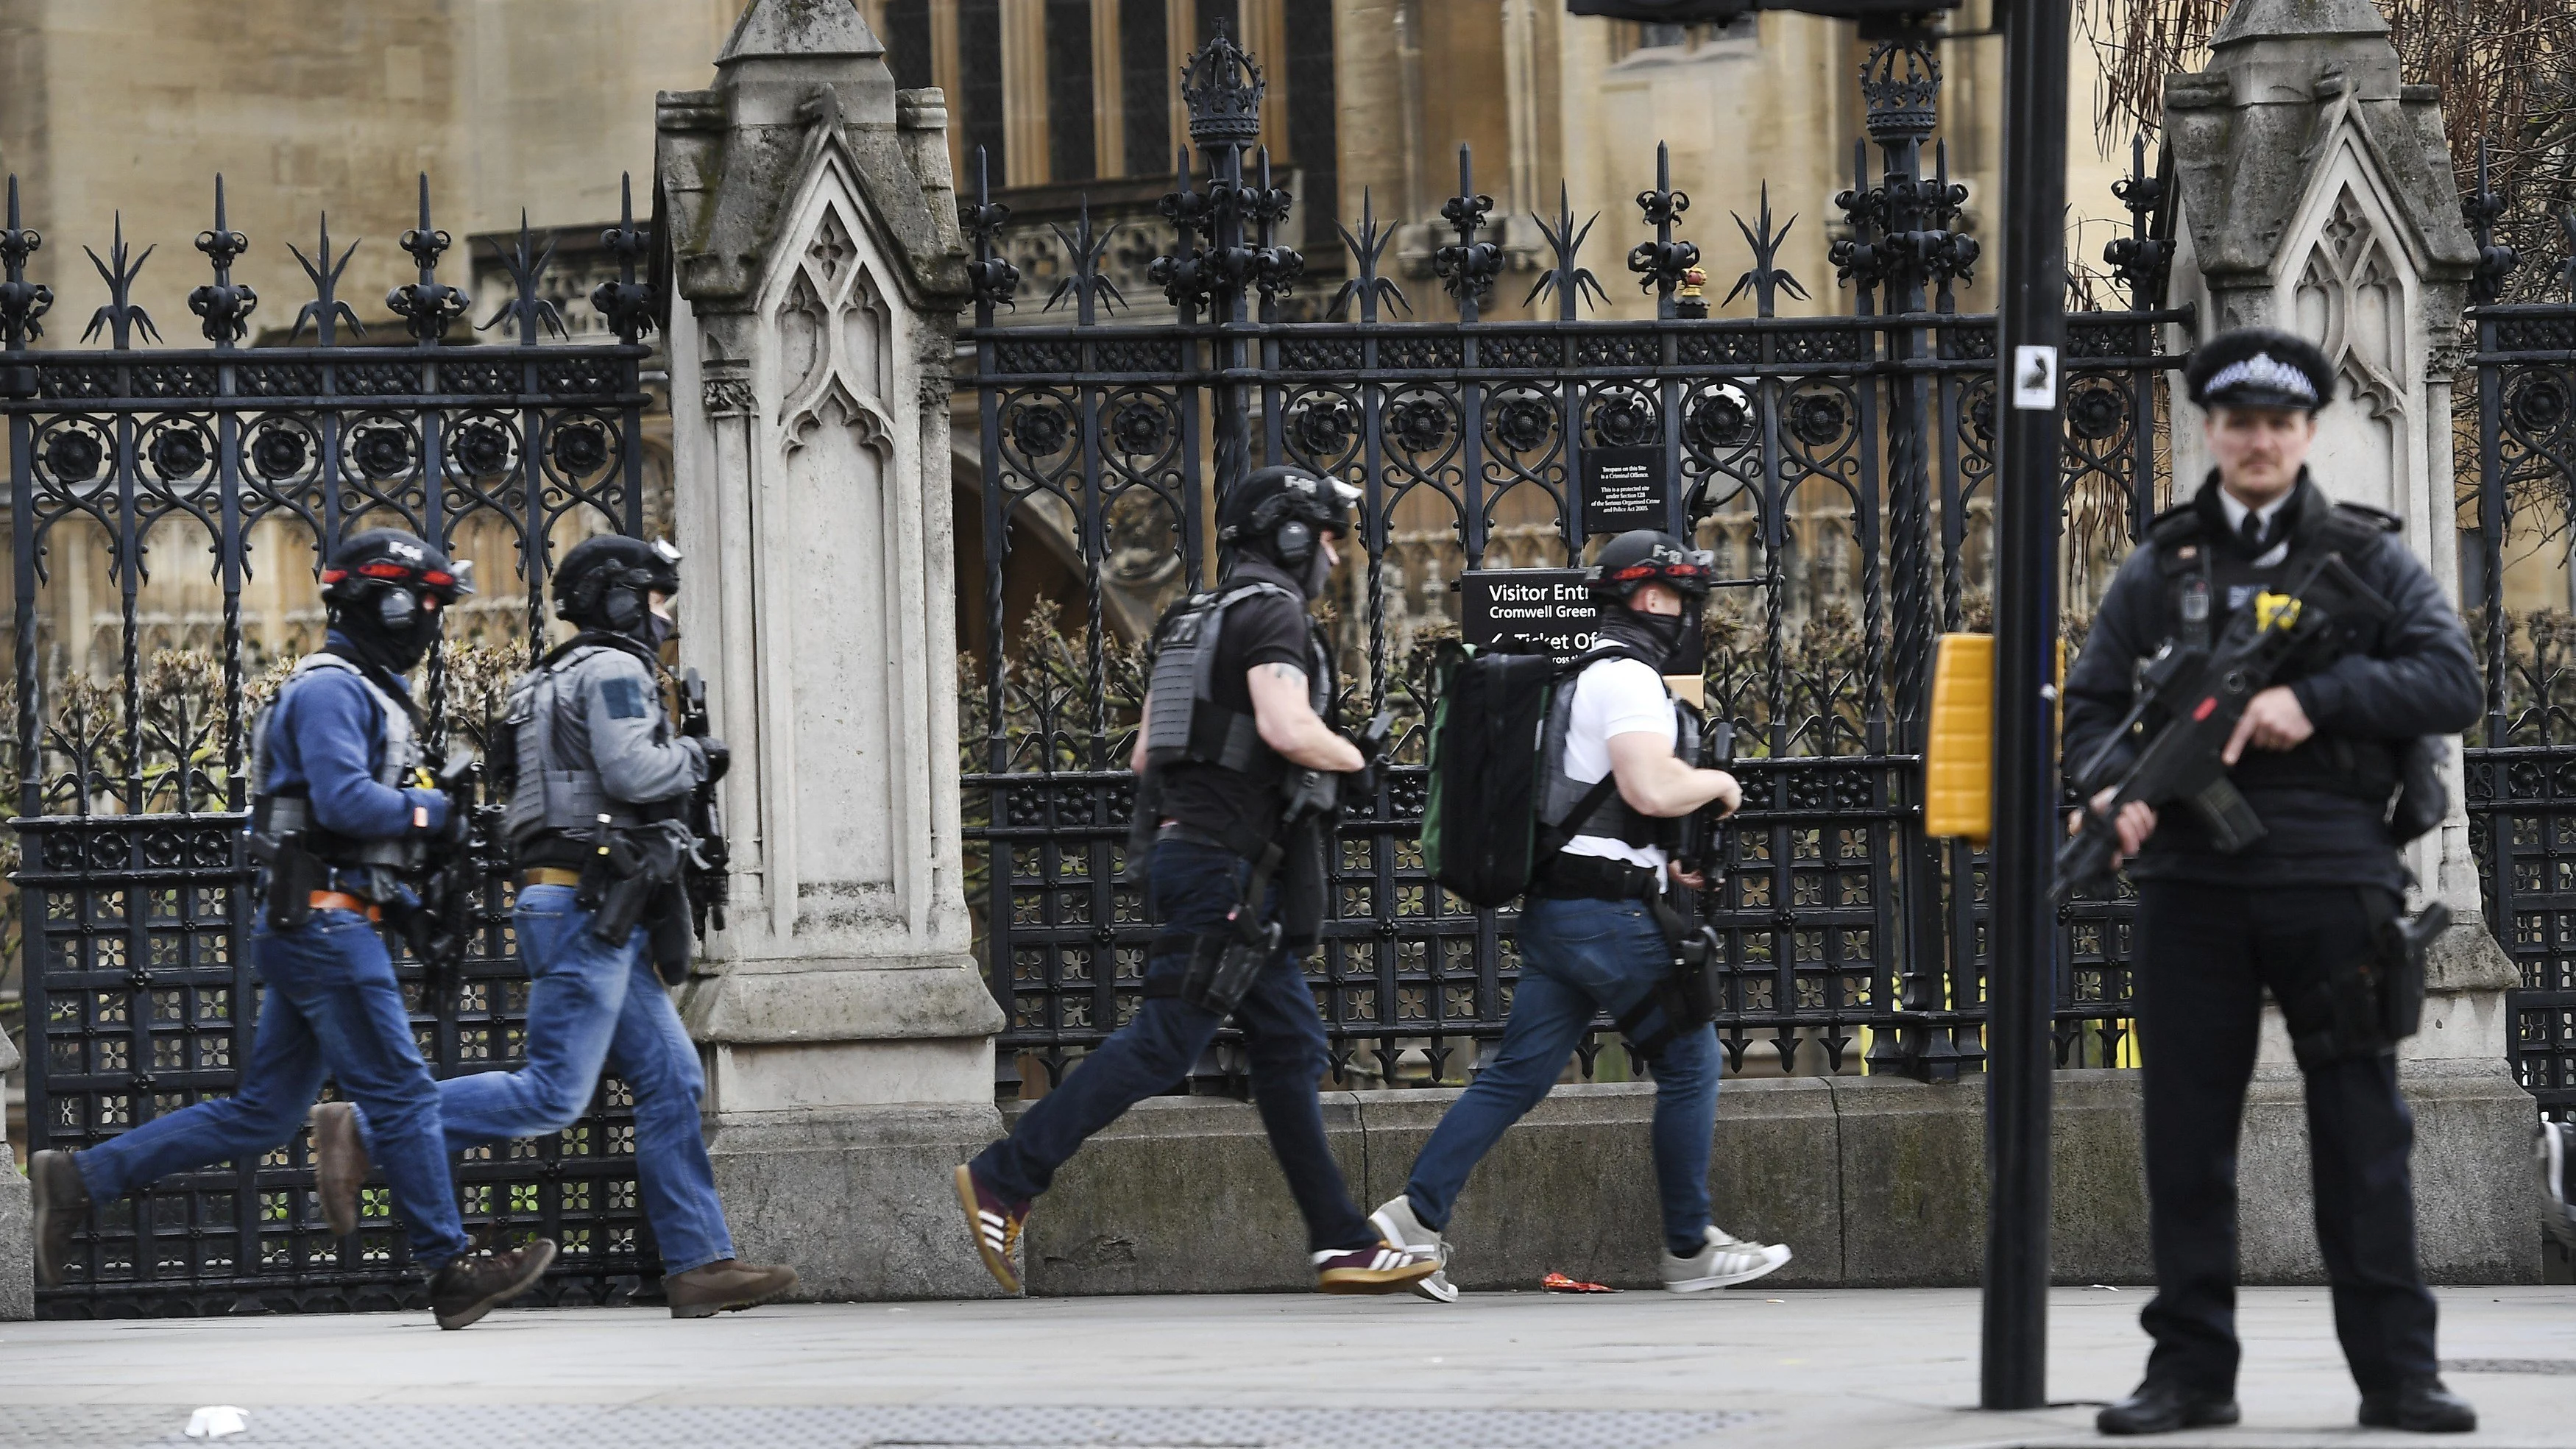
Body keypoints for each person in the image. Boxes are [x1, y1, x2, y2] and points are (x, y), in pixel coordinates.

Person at [2062, 328, 2483, 1435]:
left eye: (2278, 423)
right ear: (2210, 429)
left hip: (2336, 878)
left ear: (2306, 433)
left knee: (2363, 1136)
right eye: (2238, 422)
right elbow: (2094, 711)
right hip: (2190, 885)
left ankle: (2399, 1375)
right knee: (2187, 1139)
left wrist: (2319, 700)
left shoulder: (2372, 558)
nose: (2257, 440)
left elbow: (2452, 680)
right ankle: (2191, 1374)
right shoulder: (2162, 568)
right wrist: (2114, 791)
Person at [27, 528, 556, 1330]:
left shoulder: (359, 688)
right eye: (425, 605)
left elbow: (340, 819)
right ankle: (449, 1265)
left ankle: (78, 1178)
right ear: (387, 603)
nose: (431, 624)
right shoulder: (331, 690)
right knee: (406, 1095)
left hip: (325, 921)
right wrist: (433, 810)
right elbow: (344, 802)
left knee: (264, 1113)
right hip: (324, 925)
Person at [954, 466, 1440, 1297]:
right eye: (1324, 534)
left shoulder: (1195, 618)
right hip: (1226, 863)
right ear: (1289, 536)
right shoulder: (1274, 615)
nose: (1331, 552)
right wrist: (1353, 758)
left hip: (1203, 855)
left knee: (1289, 1046)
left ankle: (1340, 1242)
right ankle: (1005, 1174)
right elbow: (1287, 725)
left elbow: (1148, 752)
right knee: (1166, 1038)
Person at [310, 534, 796, 1319]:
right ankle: (368, 1130)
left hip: (587, 901)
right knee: (551, 1094)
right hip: (585, 904)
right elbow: (634, 770)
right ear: (617, 597)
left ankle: (699, 1263)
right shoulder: (611, 670)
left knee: (671, 1080)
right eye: (654, 596)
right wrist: (699, 758)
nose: (662, 614)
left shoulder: (549, 676)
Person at [1366, 529, 1790, 1302]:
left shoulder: (1580, 674)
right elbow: (1649, 789)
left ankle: (1410, 1217)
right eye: (1683, 597)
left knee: (1515, 1078)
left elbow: (1602, 803)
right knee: (1691, 1060)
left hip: (1561, 911)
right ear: (1651, 596)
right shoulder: (1626, 678)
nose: (1686, 611)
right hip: (1608, 916)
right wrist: (1718, 786)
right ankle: (1690, 1246)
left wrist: (1668, 851)